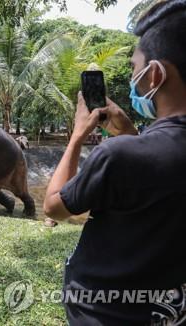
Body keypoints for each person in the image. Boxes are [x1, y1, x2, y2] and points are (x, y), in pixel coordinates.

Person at [43, 1, 186, 324]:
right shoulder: (133, 149)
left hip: (103, 312)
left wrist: (78, 135)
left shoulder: (116, 156)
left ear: (155, 75)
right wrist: (130, 132)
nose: (133, 77)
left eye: (135, 69)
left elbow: (54, 207)